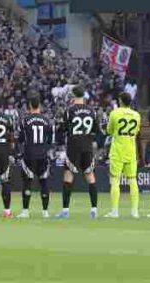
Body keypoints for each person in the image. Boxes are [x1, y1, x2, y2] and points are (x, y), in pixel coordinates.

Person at [55, 85, 99, 219]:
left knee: (68, 176)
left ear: (73, 96)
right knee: (90, 176)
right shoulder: (92, 111)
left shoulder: (69, 111)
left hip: (73, 146)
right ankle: (94, 210)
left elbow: (62, 129)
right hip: (87, 146)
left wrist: (60, 127)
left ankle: (65, 210)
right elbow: (96, 130)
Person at [17, 93, 54, 219]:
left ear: (29, 106)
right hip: (43, 155)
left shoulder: (25, 121)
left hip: (29, 154)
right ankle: (45, 211)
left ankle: (25, 211)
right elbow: (50, 140)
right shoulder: (47, 121)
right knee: (44, 182)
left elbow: (21, 139)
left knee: (27, 183)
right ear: (39, 106)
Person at [106, 91, 142, 219]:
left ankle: (115, 212)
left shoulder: (114, 113)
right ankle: (134, 211)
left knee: (115, 180)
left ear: (120, 101)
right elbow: (136, 132)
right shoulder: (136, 115)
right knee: (132, 180)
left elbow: (109, 130)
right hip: (131, 151)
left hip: (117, 151)